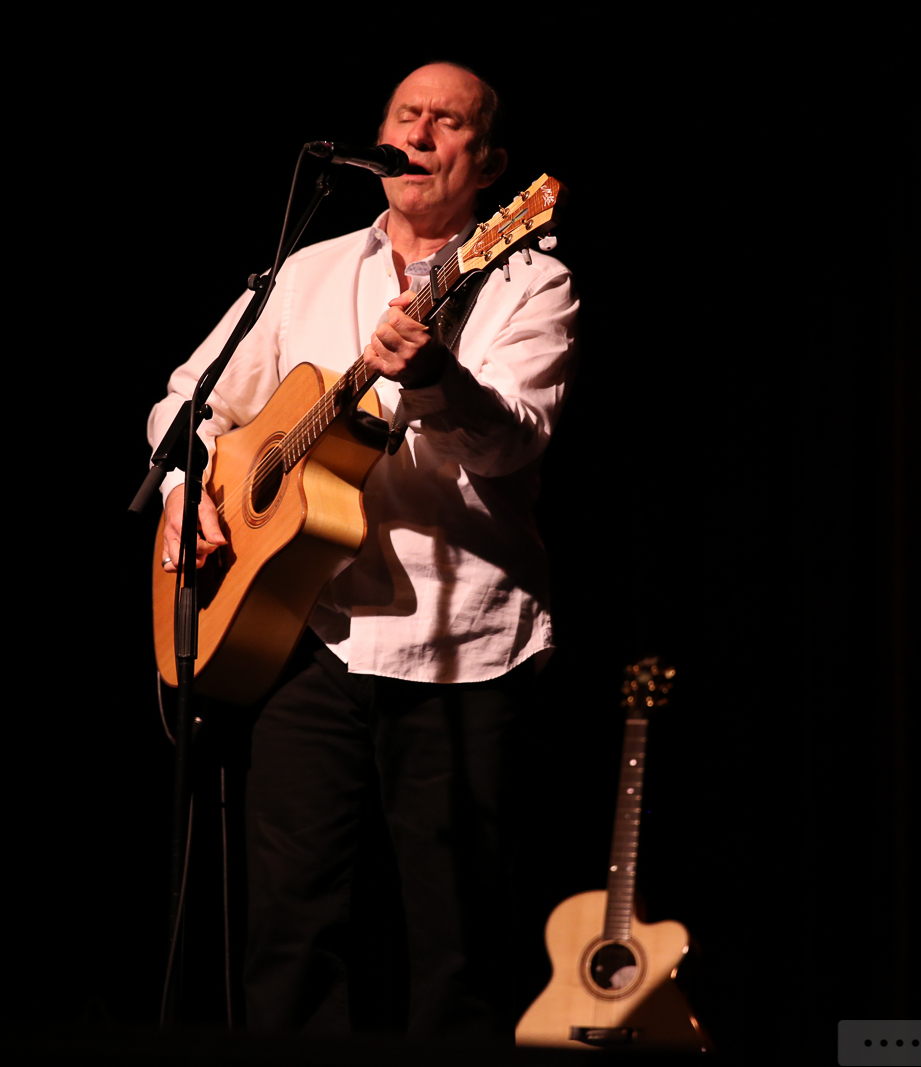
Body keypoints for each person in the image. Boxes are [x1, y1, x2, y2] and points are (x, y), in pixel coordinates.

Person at [146, 62, 578, 1038]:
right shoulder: (310, 269)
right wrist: (184, 487)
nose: (418, 133)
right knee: (287, 937)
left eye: (447, 122)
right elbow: (185, 399)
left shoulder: (527, 277)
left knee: (458, 949)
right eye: (404, 115)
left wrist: (433, 378)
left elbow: (513, 441)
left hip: (461, 647)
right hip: (308, 636)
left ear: (491, 166)